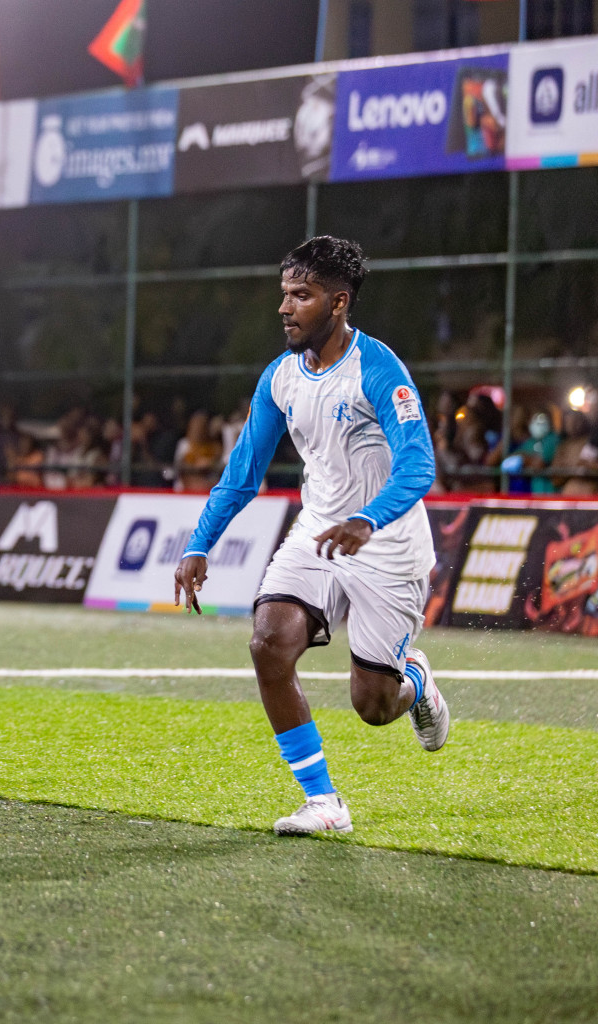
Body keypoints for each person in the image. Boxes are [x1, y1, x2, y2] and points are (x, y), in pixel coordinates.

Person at [172, 236, 448, 838]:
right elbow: (243, 471)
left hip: (387, 544)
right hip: (317, 536)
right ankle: (324, 802)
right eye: (285, 294)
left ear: (339, 302)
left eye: (302, 295)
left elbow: (419, 464)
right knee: (269, 644)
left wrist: (368, 519)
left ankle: (415, 680)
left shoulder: (379, 371)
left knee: (373, 706)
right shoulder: (280, 377)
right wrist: (199, 544)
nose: (285, 307)